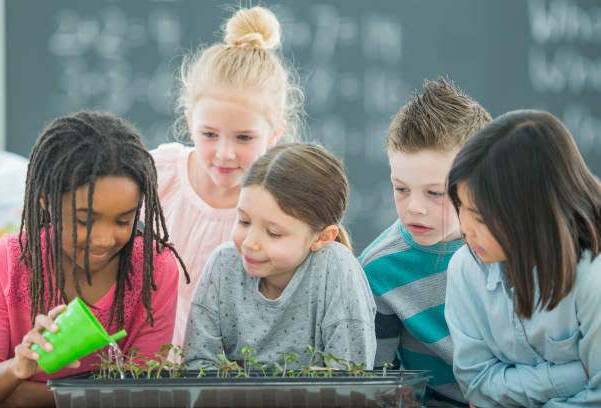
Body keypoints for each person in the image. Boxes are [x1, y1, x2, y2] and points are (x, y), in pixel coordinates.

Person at [0, 110, 186, 406]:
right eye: (85, 220)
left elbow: (140, 394)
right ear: (46, 200)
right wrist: (18, 369)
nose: (105, 239)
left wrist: (21, 396)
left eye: (123, 221)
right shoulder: (6, 262)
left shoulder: (154, 267)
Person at [151, 6, 304, 348]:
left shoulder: (284, 205)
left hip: (236, 377)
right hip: (152, 370)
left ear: (275, 133)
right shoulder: (159, 174)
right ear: (190, 122)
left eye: (244, 138)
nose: (224, 153)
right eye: (209, 134)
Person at [445, 109, 601, 407]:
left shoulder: (593, 274)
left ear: (531, 213)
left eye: (480, 217)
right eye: (461, 207)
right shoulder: (466, 267)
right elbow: (476, 384)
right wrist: (576, 373)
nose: (464, 229)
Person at [358, 78, 491, 405]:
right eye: (401, 188)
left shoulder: (512, 247)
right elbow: (381, 382)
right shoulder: (379, 269)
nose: (415, 207)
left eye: (435, 193)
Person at [184, 143, 376, 370]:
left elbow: (352, 377)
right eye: (244, 221)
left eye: (273, 233)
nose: (249, 243)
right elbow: (197, 364)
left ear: (322, 237)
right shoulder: (223, 264)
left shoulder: (337, 267)